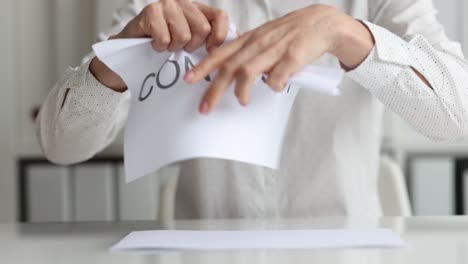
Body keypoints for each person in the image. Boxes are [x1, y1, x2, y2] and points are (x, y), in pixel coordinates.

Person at [37, 0, 468, 219]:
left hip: (349, 251)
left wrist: (346, 33)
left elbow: (456, 114)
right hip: (206, 253)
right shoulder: (167, 4)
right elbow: (62, 145)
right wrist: (120, 54)